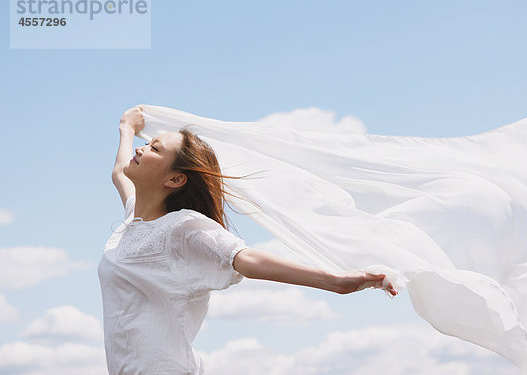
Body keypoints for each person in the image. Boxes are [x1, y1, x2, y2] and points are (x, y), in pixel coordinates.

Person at [98, 106, 397, 375]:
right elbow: (118, 173)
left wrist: (335, 281)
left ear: (175, 179)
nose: (141, 149)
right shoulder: (131, 223)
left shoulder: (182, 227)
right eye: (147, 143)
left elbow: (246, 260)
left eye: (154, 148)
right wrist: (126, 128)